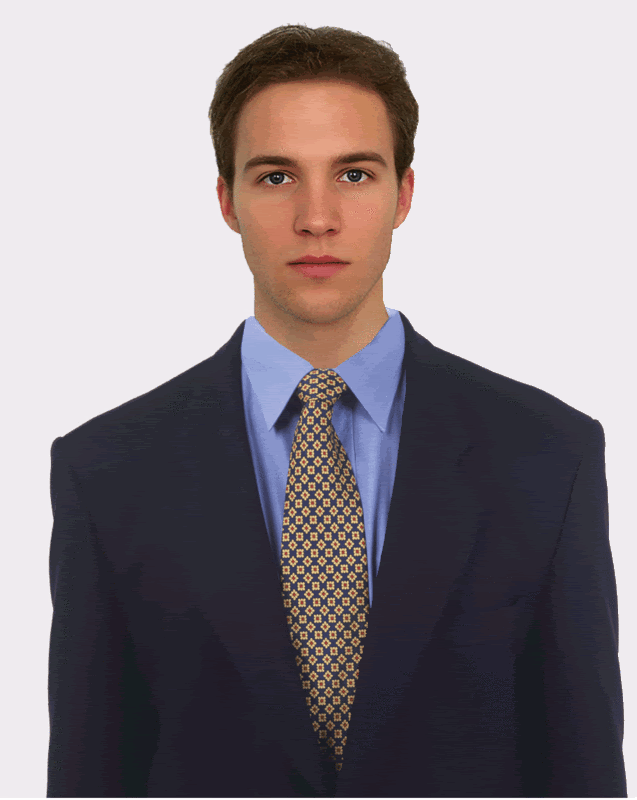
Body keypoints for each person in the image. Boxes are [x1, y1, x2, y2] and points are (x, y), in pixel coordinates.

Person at [46, 24, 626, 798]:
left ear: (403, 194)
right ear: (226, 201)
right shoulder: (106, 471)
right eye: (275, 176)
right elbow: (89, 772)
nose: (316, 218)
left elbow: (583, 770)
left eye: (353, 174)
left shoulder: (547, 455)